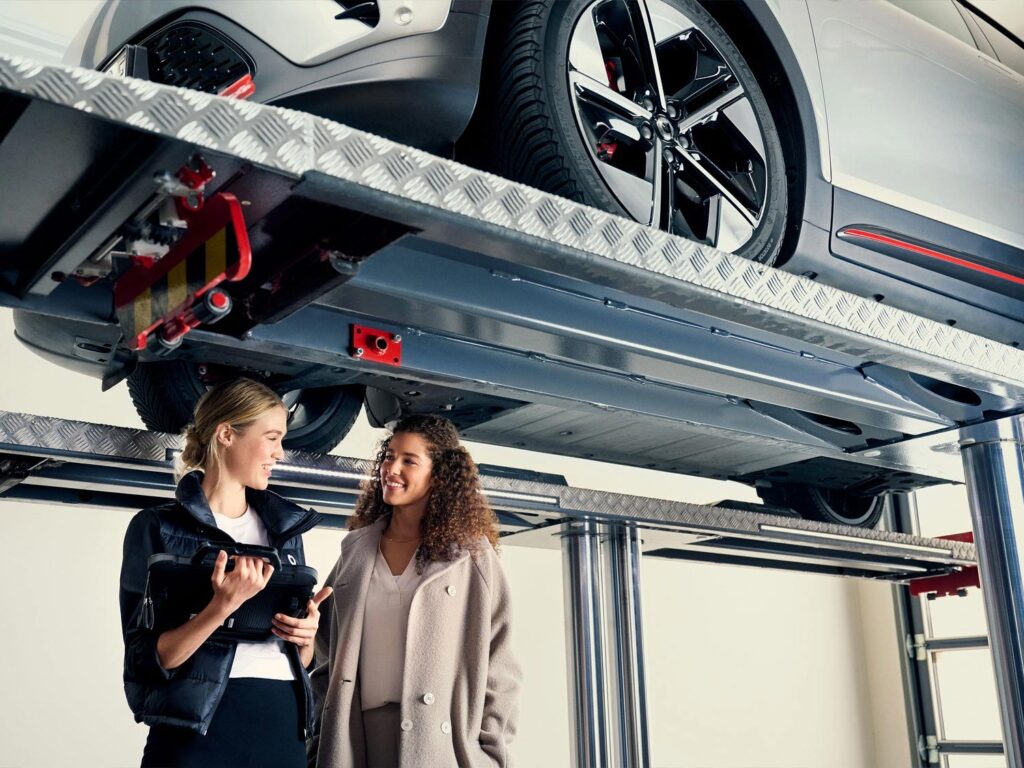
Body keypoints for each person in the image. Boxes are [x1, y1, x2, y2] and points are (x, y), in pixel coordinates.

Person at [118, 377, 332, 767]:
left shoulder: (286, 531)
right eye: (271, 438)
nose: (280, 454)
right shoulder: (156, 527)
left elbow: (298, 661)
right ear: (226, 434)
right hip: (198, 728)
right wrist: (221, 608)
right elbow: (146, 661)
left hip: (281, 721)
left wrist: (305, 638)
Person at [309, 415, 522, 768]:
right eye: (389, 456)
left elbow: (500, 667)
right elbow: (325, 654)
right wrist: (320, 737)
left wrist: (488, 753)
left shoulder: (472, 557)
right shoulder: (356, 552)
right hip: (355, 737)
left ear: (439, 475)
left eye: (409, 460)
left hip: (440, 743)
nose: (391, 468)